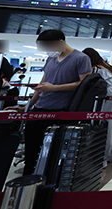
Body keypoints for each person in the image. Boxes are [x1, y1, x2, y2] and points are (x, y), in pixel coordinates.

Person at [6, 30, 92, 175]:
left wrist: (55, 88)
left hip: (61, 111)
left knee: (54, 151)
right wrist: (28, 106)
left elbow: (85, 84)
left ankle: (49, 180)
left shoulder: (81, 58)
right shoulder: (51, 59)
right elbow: (43, 83)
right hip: (40, 109)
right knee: (32, 148)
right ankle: (28, 178)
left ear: (60, 42)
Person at [82, 48, 112, 165]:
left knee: (106, 126)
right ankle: (111, 153)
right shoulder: (108, 68)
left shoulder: (97, 70)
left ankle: (103, 157)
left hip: (110, 97)